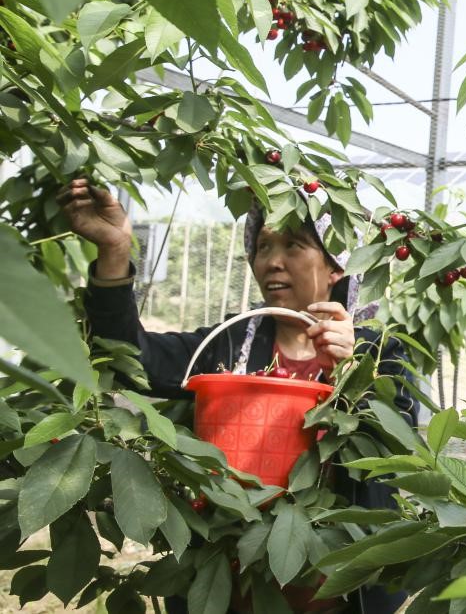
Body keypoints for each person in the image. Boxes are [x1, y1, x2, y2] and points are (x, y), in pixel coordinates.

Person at [59, 176, 412, 613]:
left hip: (336, 594)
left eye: (294, 245)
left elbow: (397, 451)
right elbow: (133, 359)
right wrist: (115, 251)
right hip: (228, 583)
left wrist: (350, 372)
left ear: (335, 265)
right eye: (263, 247)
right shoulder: (227, 345)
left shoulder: (378, 355)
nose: (272, 262)